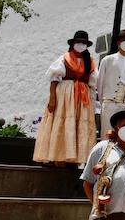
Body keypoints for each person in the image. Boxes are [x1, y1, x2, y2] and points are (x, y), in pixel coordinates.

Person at [33, 30, 98, 166]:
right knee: (62, 123)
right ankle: (58, 156)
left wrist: (92, 104)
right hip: (64, 95)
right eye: (78, 42)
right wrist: (52, 98)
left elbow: (93, 84)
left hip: (82, 97)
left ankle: (74, 159)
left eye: (84, 43)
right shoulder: (65, 58)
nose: (81, 45)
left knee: (78, 125)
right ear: (73, 43)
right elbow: (54, 79)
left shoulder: (90, 62)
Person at [96, 29, 125, 138]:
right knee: (107, 134)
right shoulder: (107, 60)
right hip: (110, 102)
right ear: (118, 42)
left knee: (124, 135)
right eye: (124, 40)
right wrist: (105, 102)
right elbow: (100, 83)